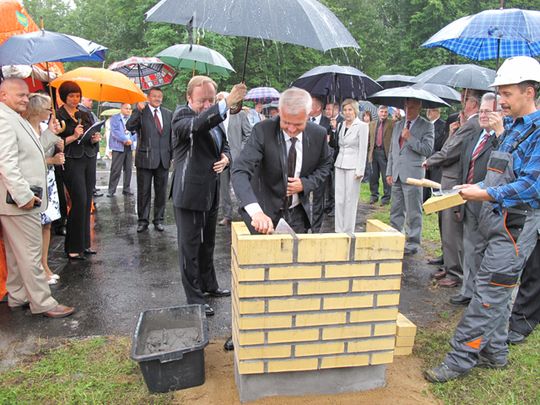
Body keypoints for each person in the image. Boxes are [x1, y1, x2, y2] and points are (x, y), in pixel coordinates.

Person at [425, 56, 540, 383]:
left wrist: (486, 194)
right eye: (500, 93)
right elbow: (500, 175)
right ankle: (495, 352)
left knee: (488, 292)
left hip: (516, 227)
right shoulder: (513, 127)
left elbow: (532, 186)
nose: (501, 100)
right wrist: (471, 187)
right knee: (499, 291)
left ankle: (459, 359)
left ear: (529, 92)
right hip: (494, 219)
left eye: (507, 93)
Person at [171, 76, 246, 316]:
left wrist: (226, 158)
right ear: (188, 98)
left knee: (208, 244)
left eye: (211, 100)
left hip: (210, 191)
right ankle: (194, 298)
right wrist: (226, 103)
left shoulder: (215, 117)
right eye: (201, 100)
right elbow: (198, 125)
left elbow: (224, 145)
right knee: (190, 248)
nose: (206, 105)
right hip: (189, 194)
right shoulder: (182, 116)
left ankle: (209, 284)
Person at [0, 78, 74, 317]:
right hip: (19, 200)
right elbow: (7, 163)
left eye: (26, 95)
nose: (25, 99)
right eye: (20, 95)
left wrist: (51, 133)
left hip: (17, 200)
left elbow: (32, 152)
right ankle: (43, 303)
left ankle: (18, 295)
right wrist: (24, 196)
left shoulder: (14, 118)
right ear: (3, 95)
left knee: (16, 254)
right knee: (31, 253)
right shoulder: (4, 120)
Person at [232, 87, 333, 235]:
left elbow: (325, 165)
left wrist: (306, 183)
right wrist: (255, 212)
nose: (291, 129)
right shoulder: (263, 131)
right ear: (280, 111)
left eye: (298, 124)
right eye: (286, 122)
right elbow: (240, 171)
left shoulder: (318, 134)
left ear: (308, 115)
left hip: (297, 214)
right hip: (263, 213)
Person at [423, 90, 481, 288]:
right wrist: (453, 132)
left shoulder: (472, 124)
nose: (462, 103)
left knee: (452, 229)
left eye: (465, 100)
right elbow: (450, 145)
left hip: (454, 179)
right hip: (449, 178)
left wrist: (429, 161)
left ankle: (455, 272)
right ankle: (449, 266)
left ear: (473, 104)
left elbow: (449, 152)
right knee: (445, 225)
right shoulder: (465, 124)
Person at [449, 93, 500, 306]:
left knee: (486, 252)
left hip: (490, 203)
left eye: (489, 111)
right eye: (481, 111)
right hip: (469, 201)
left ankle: (483, 296)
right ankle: (468, 291)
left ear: (499, 114)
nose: (483, 115)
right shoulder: (474, 136)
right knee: (469, 247)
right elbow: (463, 167)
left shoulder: (502, 140)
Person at [22, 93, 65, 284]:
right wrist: (51, 160)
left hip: (48, 180)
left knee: (47, 224)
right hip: (33, 183)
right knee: (34, 227)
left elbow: (52, 150)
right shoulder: (25, 129)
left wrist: (59, 144)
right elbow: (29, 158)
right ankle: (36, 270)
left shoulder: (43, 127)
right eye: (48, 108)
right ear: (37, 109)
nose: (50, 111)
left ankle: (44, 264)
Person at [56, 81, 101, 260]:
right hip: (71, 160)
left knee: (87, 200)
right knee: (79, 200)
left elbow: (89, 137)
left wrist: (94, 139)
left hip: (88, 158)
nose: (75, 99)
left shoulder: (85, 114)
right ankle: (73, 246)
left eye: (77, 96)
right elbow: (56, 143)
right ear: (64, 97)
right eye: (71, 96)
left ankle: (85, 243)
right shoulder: (57, 116)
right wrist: (74, 136)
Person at [386, 99, 434, 255]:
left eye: (412, 107)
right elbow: (393, 150)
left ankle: (412, 243)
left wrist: (410, 137)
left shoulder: (427, 126)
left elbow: (427, 150)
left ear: (419, 107)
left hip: (413, 175)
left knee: (413, 210)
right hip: (397, 173)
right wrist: (389, 171)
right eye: (406, 107)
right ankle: (395, 237)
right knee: (396, 209)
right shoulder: (398, 125)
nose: (408, 110)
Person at [126, 87, 172, 233]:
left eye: (160, 96)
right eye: (154, 96)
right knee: (143, 192)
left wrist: (172, 155)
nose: (157, 99)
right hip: (145, 159)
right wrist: (137, 110)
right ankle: (143, 221)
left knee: (161, 192)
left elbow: (171, 136)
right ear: (148, 97)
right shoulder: (141, 111)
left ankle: (159, 220)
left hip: (163, 159)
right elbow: (129, 126)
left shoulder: (168, 114)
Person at [215, 91, 252, 226]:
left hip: (237, 157)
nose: (219, 101)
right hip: (222, 158)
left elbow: (248, 135)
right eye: (217, 100)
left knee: (240, 186)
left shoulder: (240, 115)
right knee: (223, 188)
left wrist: (240, 152)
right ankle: (227, 215)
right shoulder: (216, 116)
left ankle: (246, 213)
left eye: (221, 99)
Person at [333, 99, 369, 233]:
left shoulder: (362, 126)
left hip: (353, 166)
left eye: (350, 110)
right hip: (339, 164)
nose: (347, 112)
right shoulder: (341, 125)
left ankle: (348, 230)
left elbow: (363, 149)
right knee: (339, 199)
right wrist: (333, 129)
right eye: (345, 110)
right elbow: (337, 144)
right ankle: (339, 229)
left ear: (355, 111)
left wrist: (360, 170)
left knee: (350, 199)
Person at [308, 96, 332, 232]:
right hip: (305, 164)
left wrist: (333, 133)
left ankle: (315, 228)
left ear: (317, 108)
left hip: (320, 165)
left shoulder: (329, 123)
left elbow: (334, 144)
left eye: (310, 105)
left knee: (318, 197)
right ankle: (304, 225)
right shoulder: (303, 120)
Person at [107, 103, 136, 197]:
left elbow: (136, 132)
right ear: (121, 108)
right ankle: (111, 190)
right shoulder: (115, 118)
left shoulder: (132, 119)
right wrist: (124, 140)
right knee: (116, 169)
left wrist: (131, 140)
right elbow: (115, 132)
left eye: (130, 109)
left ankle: (126, 189)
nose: (128, 110)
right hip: (118, 147)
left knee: (128, 169)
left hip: (129, 146)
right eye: (126, 108)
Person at [368, 105, 393, 205]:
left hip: (384, 153)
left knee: (385, 177)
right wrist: (368, 152)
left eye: (385, 112)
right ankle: (374, 195)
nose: (383, 114)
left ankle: (386, 198)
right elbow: (369, 139)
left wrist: (399, 117)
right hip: (373, 152)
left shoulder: (391, 123)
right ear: (378, 112)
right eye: (382, 112)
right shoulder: (372, 124)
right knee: (373, 176)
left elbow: (400, 123)